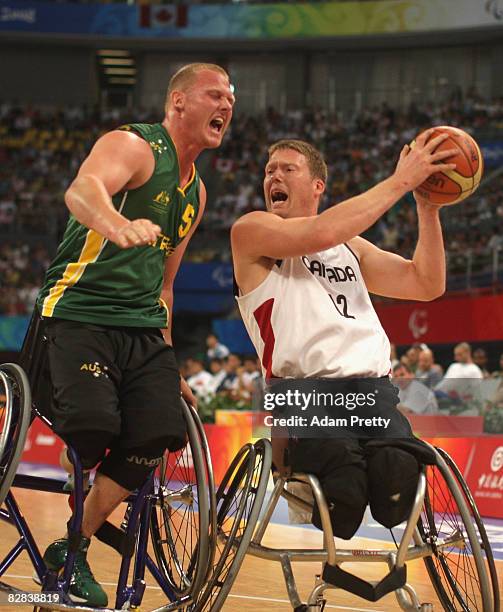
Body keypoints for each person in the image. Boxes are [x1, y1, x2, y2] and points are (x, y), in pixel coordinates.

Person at [23, 63, 234, 606]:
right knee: (96, 424)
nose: (227, 104)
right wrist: (117, 226)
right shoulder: (136, 146)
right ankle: (78, 528)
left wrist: (168, 364)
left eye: (231, 97)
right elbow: (82, 190)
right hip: (77, 314)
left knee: (159, 429)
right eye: (215, 93)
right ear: (179, 102)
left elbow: (165, 287)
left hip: (140, 330)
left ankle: (73, 545)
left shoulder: (197, 194)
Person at [231, 135, 456, 538]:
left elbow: (427, 283)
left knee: (397, 478)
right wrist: (401, 180)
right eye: (269, 170)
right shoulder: (252, 231)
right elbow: (320, 232)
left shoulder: (351, 247)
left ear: (318, 185)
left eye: (287, 168)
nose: (273, 177)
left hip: (373, 393)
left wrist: (427, 207)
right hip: (302, 394)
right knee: (345, 493)